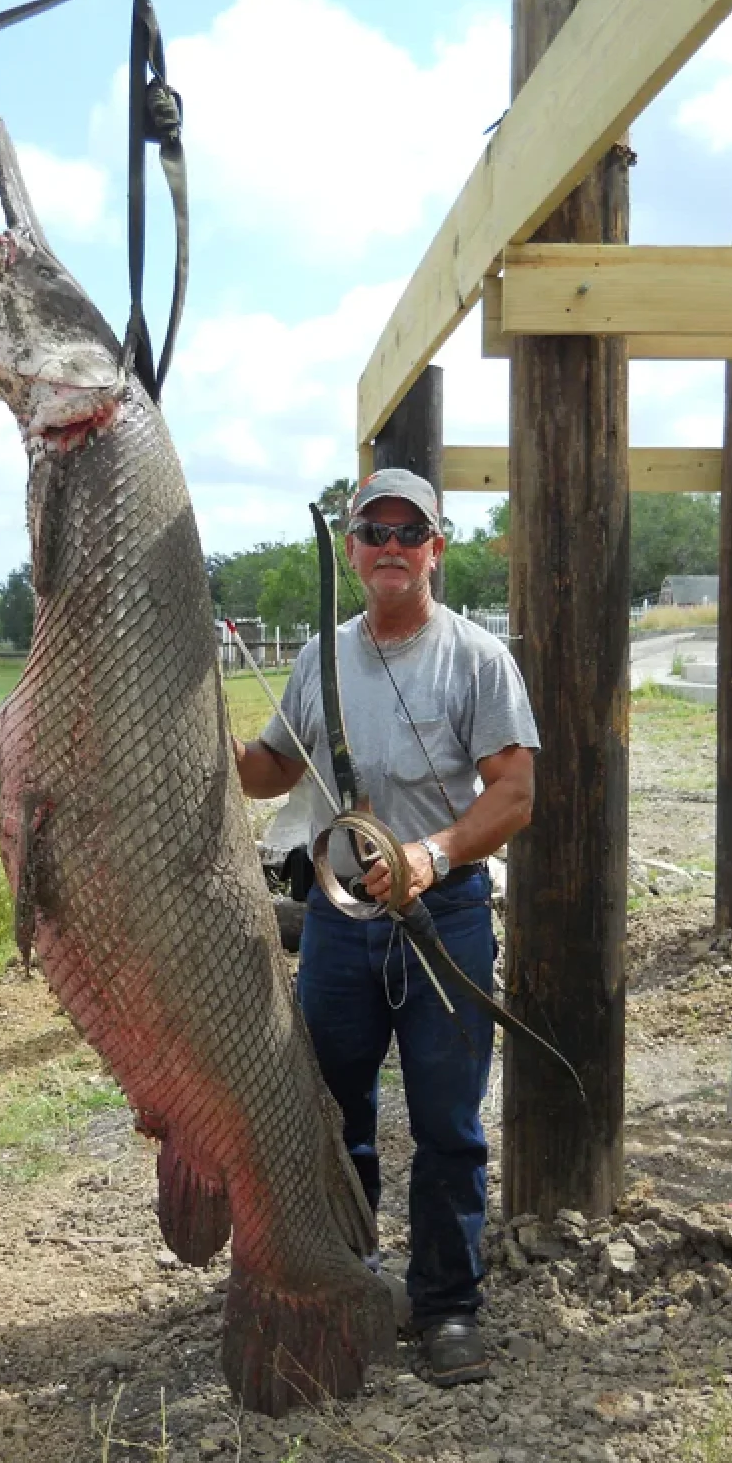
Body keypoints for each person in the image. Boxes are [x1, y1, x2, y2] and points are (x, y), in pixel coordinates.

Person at [232, 467, 539, 1387]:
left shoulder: (476, 659)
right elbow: (267, 771)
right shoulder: (318, 657)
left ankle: (447, 1305)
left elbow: (515, 793)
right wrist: (198, 731)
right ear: (356, 551)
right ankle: (349, 1284)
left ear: (436, 549)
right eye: (376, 531)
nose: (393, 546)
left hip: (442, 916)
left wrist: (431, 855)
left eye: (413, 531)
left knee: (448, 1123)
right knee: (334, 1113)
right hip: (337, 922)